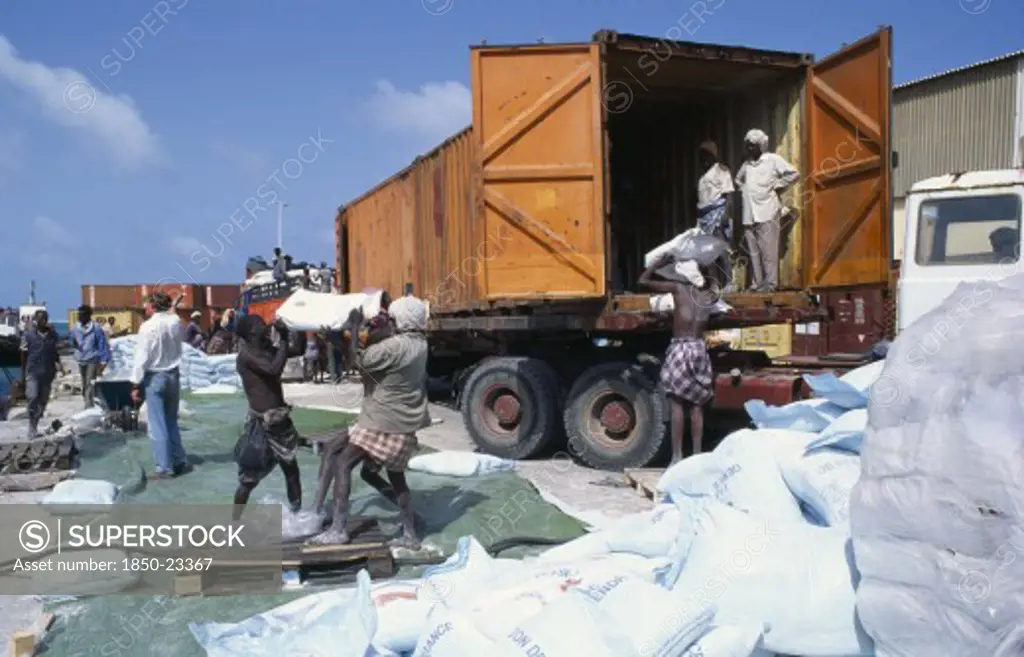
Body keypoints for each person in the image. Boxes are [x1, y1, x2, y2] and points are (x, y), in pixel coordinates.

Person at [309, 296, 431, 548]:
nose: (385, 323)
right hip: (402, 424)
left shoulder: (395, 347)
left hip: (382, 422)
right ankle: (411, 533)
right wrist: (339, 340)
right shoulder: (419, 344)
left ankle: (338, 530)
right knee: (394, 478)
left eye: (391, 319)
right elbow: (367, 367)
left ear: (400, 321)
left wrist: (353, 327)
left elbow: (358, 362)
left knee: (343, 463)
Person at [638, 253, 716, 464]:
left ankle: (677, 455)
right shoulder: (709, 295)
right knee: (698, 404)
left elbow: (642, 281)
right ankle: (698, 454)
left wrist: (656, 264)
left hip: (681, 349)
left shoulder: (679, 289)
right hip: (699, 349)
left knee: (677, 403)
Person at [232, 314, 302, 520]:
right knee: (249, 479)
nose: (266, 324)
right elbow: (273, 370)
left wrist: (302, 328)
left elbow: (298, 350)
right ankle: (234, 522)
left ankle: (297, 514)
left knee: (291, 470)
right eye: (261, 323)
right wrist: (282, 339)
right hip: (261, 424)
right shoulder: (246, 356)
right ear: (252, 331)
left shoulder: (266, 350)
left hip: (280, 422)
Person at [130, 292, 191, 480]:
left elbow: (142, 357)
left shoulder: (147, 327)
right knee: (171, 420)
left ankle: (163, 468)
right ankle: (179, 460)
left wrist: (135, 383)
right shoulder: (175, 322)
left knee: (157, 424)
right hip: (173, 374)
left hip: (155, 376)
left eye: (147, 305)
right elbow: (173, 318)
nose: (145, 308)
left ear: (153, 306)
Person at [735, 129, 799, 293]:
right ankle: (757, 284)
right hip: (749, 214)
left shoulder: (772, 160)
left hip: (767, 211)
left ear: (760, 146)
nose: (749, 149)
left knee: (768, 251)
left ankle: (770, 284)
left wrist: (777, 185)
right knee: (754, 252)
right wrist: (744, 190)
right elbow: (738, 179)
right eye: (747, 146)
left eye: (752, 146)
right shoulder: (747, 164)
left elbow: (794, 174)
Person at [696, 141, 736, 292]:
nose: (703, 159)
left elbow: (728, 194)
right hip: (704, 218)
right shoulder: (702, 178)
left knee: (721, 250)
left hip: (717, 215)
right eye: (701, 156)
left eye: (706, 155)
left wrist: (726, 214)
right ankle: (714, 284)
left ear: (713, 156)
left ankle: (729, 282)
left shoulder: (721, 170)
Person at [20, 310, 65, 437]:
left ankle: (36, 422)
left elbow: (55, 351)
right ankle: (31, 425)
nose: (43, 321)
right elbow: (23, 354)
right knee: (32, 397)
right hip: (33, 372)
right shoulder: (28, 335)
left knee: (43, 401)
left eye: (45, 318)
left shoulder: (53, 335)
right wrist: (23, 375)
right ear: (36, 320)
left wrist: (60, 365)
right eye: (41, 319)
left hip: (48, 372)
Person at [70, 305, 111, 409]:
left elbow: (102, 344)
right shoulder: (76, 328)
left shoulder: (96, 328)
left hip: (92, 358)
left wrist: (104, 360)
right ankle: (87, 400)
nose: (80, 316)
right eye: (79, 314)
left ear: (88, 315)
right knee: (84, 383)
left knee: (89, 382)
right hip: (81, 359)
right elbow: (72, 341)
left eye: (82, 314)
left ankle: (89, 405)